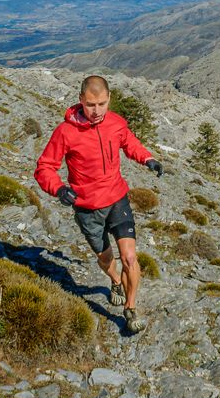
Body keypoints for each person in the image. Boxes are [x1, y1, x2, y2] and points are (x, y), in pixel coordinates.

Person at [34, 75, 163, 333]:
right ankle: (114, 280)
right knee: (106, 259)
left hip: (117, 198)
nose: (96, 111)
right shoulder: (65, 132)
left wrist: (147, 158)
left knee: (129, 257)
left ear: (109, 99)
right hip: (88, 208)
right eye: (91, 105)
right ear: (81, 100)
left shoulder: (115, 123)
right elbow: (44, 167)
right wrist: (59, 189)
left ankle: (130, 308)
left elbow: (129, 142)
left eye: (102, 104)